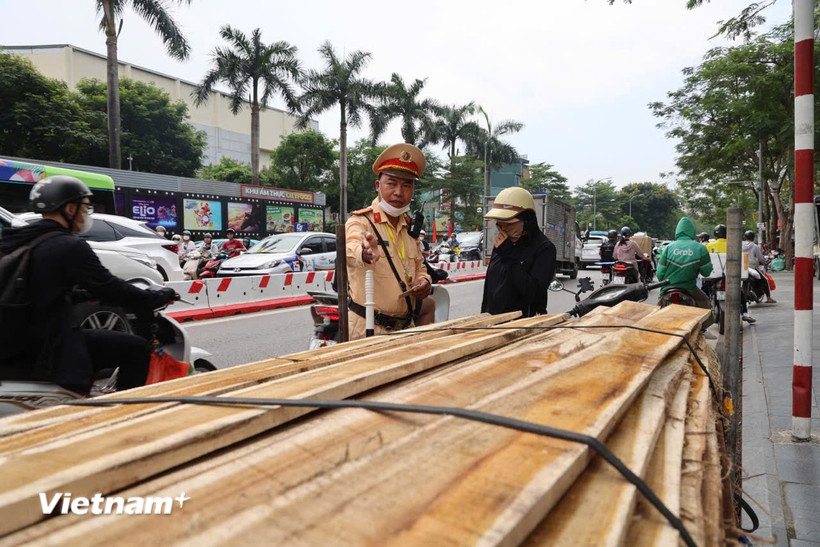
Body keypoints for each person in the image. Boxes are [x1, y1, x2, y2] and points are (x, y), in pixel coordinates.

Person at [0, 176, 177, 395]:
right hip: (48, 344)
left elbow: (40, 290)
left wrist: (84, 294)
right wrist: (157, 297)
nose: (87, 213)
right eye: (85, 207)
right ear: (70, 208)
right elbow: (111, 288)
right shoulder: (68, 245)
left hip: (14, 341)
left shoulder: (16, 240)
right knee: (137, 349)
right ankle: (123, 411)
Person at [345, 143, 432, 340]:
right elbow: (349, 250)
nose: (398, 192)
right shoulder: (361, 222)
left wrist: (424, 281)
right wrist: (364, 253)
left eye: (406, 186)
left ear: (413, 190)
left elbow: (420, 267)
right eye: (391, 184)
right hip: (368, 329)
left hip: (406, 328)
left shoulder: (409, 228)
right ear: (378, 186)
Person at [481, 187, 557, 317]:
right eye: (500, 224)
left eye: (509, 224)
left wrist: (509, 257)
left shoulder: (544, 249)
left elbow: (534, 294)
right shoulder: (502, 246)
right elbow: (489, 290)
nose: (503, 229)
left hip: (523, 324)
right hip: (493, 322)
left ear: (527, 221)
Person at [656, 217, 715, 338]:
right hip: (689, 288)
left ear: (677, 231)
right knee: (705, 302)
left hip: (667, 289)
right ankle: (702, 329)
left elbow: (660, 275)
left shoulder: (668, 248)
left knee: (656, 314)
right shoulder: (700, 248)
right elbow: (706, 272)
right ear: (692, 231)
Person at [705, 224, 756, 323]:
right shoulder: (734, 244)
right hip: (732, 275)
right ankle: (745, 313)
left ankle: (707, 311)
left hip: (715, 276)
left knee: (706, 289)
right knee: (740, 292)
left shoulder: (709, 245)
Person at [743, 230, 776, 303]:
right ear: (753, 238)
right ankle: (769, 298)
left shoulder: (740, 245)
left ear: (745, 237)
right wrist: (764, 262)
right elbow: (761, 258)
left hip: (741, 267)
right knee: (765, 280)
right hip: (751, 268)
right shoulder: (754, 246)